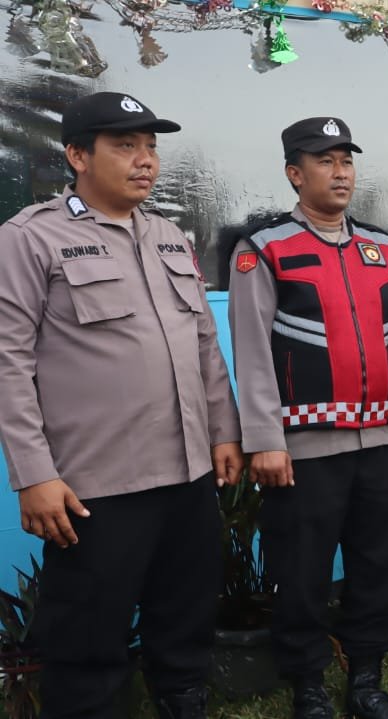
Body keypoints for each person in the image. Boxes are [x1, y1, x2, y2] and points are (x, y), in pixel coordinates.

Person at [0, 92, 243, 718]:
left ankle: (182, 701)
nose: (146, 160)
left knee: (184, 616)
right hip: (97, 484)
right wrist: (34, 474)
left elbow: (203, 342)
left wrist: (223, 430)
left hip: (188, 473)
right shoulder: (30, 238)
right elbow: (8, 362)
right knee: (90, 636)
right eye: (126, 146)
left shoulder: (168, 236)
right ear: (77, 156)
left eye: (152, 147)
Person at [228, 116, 388, 719]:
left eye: (346, 160)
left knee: (382, 562)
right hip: (302, 449)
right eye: (325, 161)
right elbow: (251, 349)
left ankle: (366, 680)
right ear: (295, 174)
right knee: (302, 570)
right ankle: (308, 687)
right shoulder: (264, 249)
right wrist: (264, 439)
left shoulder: (383, 248)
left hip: (379, 441)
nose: (340, 171)